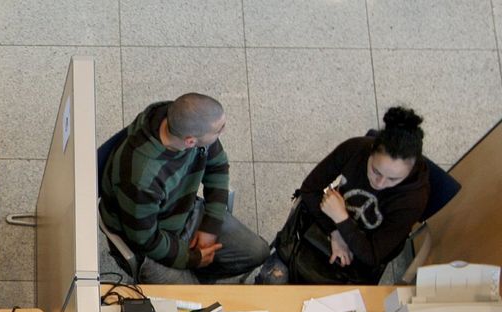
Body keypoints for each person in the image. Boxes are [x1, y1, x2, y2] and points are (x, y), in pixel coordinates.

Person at [100, 93, 269, 284]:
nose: (224, 130)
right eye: (219, 129)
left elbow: (218, 166)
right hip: (151, 243)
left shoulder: (189, 125)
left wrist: (210, 227)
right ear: (190, 142)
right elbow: (145, 240)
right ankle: (194, 279)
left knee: (258, 252)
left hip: (184, 212)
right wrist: (192, 259)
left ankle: (198, 278)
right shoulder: (141, 179)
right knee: (196, 306)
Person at [259, 107, 430, 284]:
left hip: (357, 259)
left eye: (393, 179)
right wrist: (335, 232)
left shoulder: (414, 199)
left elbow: (373, 256)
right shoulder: (355, 149)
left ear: (409, 171)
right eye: (375, 171)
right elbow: (309, 189)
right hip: (323, 230)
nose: (380, 183)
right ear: (371, 152)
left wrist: (341, 219)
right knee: (270, 280)